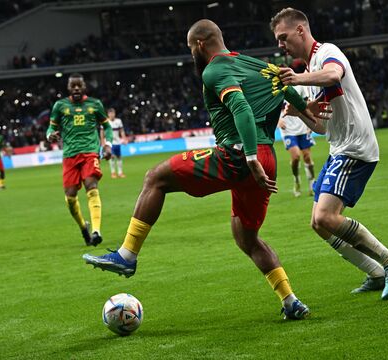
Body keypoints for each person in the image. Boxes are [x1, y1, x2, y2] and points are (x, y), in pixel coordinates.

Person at [84, 19, 329, 320]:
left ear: (199, 45)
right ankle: (290, 301)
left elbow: (240, 108)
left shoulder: (215, 69)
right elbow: (291, 92)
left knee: (155, 178)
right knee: (247, 239)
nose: (192, 53)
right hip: (268, 161)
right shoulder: (258, 66)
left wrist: (249, 157)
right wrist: (314, 119)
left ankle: (127, 255)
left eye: (190, 48)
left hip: (239, 157)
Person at [271, 8, 388, 299]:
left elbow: (335, 73)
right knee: (318, 223)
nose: (280, 45)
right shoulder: (311, 70)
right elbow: (321, 127)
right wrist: (303, 111)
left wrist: (297, 79)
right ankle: (374, 272)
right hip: (339, 148)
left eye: (283, 37)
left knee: (326, 217)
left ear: (300, 30)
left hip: (355, 146)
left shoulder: (326, 53)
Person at [47, 73, 113, 246]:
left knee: (91, 187)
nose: (76, 88)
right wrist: (50, 136)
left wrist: (108, 145)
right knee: (70, 197)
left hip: (90, 152)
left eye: (79, 85)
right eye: (73, 85)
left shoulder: (95, 104)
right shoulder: (60, 106)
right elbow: (51, 127)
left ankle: (96, 231)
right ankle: (84, 226)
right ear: (68, 88)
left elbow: (107, 125)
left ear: (84, 87)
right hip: (70, 155)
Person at [278, 60, 316, 197]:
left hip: (302, 124)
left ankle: (312, 183)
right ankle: (297, 180)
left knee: (307, 156)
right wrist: (278, 121)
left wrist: (311, 122)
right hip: (287, 128)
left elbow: (306, 103)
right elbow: (272, 109)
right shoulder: (274, 89)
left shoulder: (298, 86)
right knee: (295, 157)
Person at [106, 108, 127, 178]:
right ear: (108, 114)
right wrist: (102, 142)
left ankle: (120, 172)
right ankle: (113, 173)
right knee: (111, 157)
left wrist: (124, 139)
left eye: (113, 113)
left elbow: (122, 131)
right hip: (109, 142)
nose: (112, 115)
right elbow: (102, 132)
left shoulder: (119, 121)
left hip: (117, 142)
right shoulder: (106, 122)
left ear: (114, 114)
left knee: (119, 157)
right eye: (110, 113)